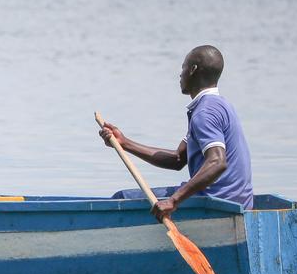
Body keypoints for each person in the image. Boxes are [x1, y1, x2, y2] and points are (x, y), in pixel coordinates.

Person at [98, 44, 253, 218]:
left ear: (193, 70)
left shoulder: (204, 112)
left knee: (121, 199)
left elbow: (217, 162)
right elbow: (178, 159)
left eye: (183, 67)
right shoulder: (220, 105)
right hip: (240, 201)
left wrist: (173, 201)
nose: (180, 74)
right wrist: (124, 143)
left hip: (218, 202)